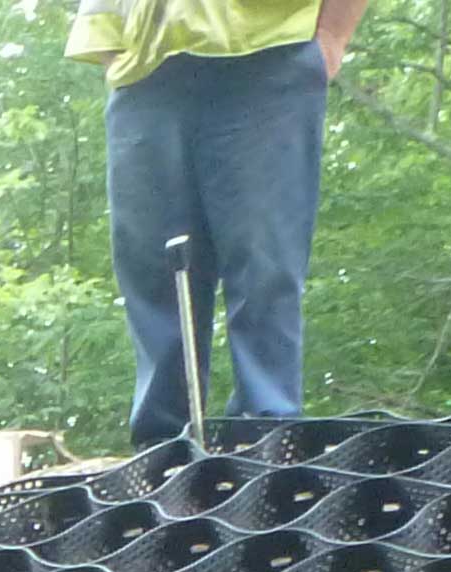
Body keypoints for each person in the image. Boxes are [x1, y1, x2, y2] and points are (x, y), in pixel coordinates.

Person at [75, 0, 367, 449]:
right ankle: (161, 449)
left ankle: (267, 443)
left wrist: (331, 36)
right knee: (154, 269)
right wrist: (115, 51)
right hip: (144, 70)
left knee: (264, 261)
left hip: (268, 55)